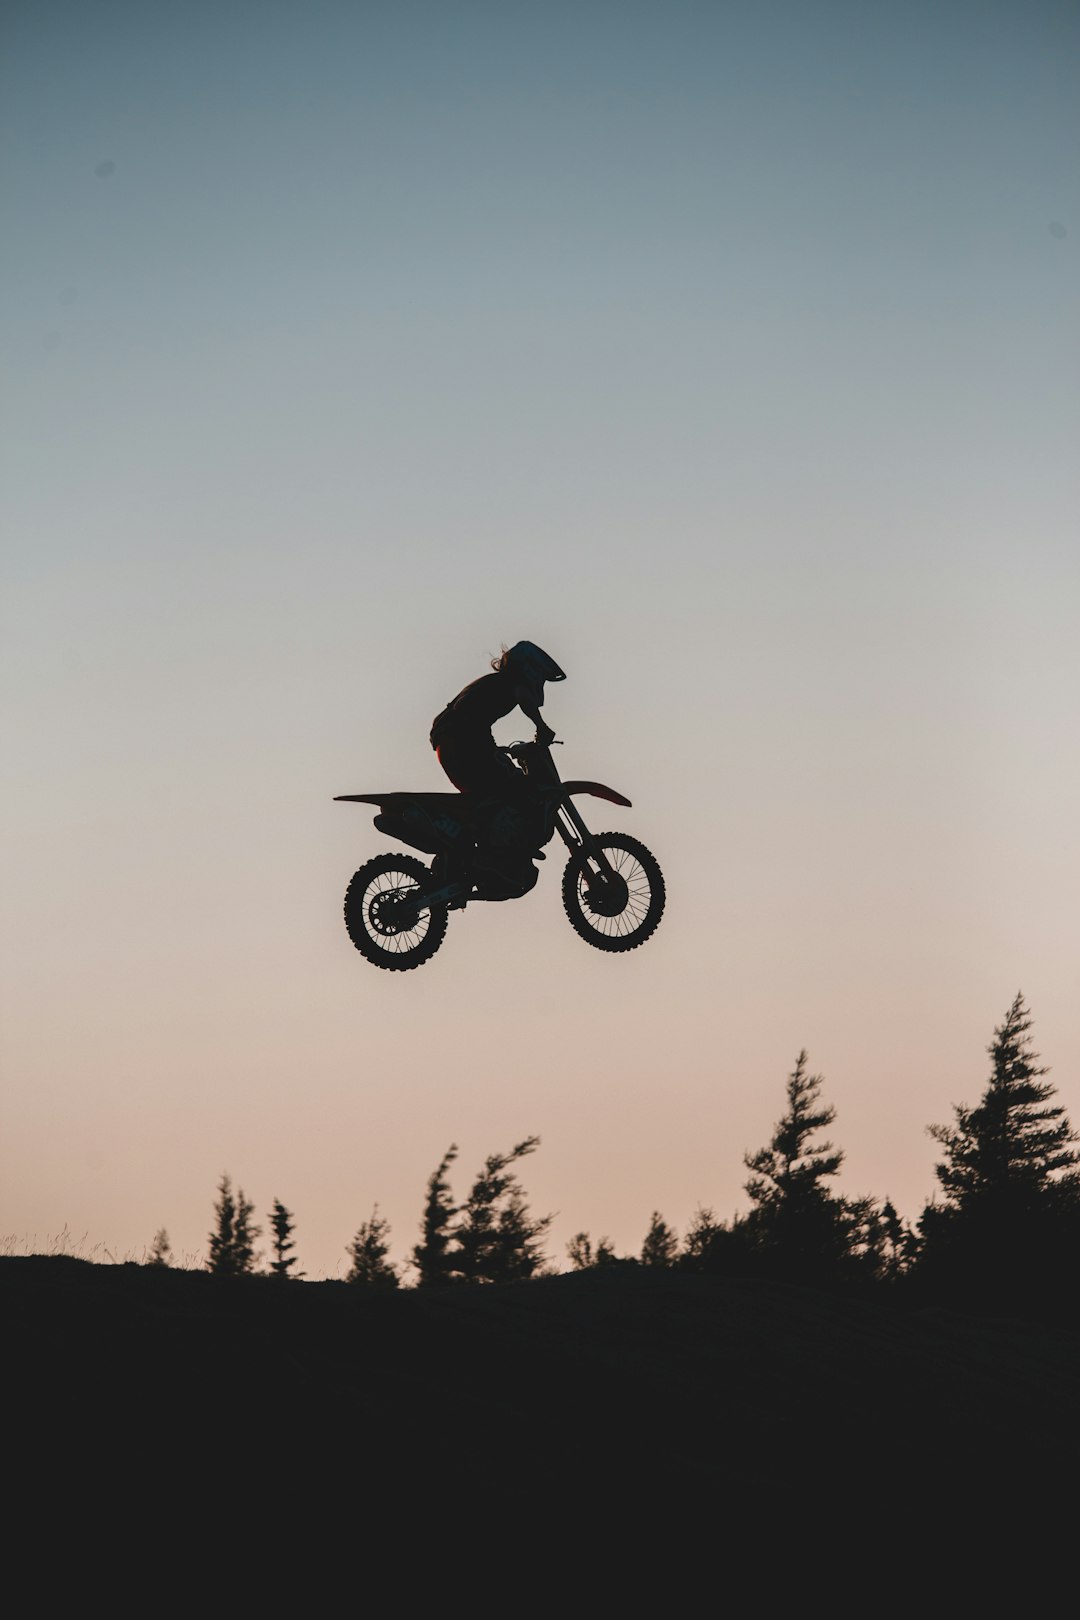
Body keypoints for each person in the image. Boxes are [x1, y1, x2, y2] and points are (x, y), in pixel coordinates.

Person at [430, 642, 566, 888]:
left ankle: (478, 854)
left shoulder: (491, 685)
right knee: (516, 789)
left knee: (491, 797)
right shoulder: (507, 685)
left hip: (452, 744)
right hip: (463, 743)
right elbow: (523, 697)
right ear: (530, 670)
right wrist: (541, 726)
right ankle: (493, 858)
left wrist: (497, 751)